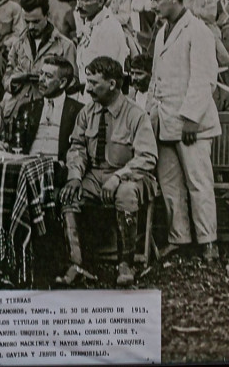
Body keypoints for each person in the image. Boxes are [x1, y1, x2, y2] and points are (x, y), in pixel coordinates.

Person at [58, 56, 157, 286]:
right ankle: (77, 262)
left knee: (125, 194)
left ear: (112, 84)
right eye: (88, 82)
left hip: (132, 176)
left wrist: (118, 177)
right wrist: (74, 177)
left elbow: (147, 157)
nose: (88, 88)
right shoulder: (87, 113)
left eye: (94, 83)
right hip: (95, 174)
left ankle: (126, 263)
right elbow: (78, 148)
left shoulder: (135, 115)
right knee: (68, 195)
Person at [146, 0, 221, 262]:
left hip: (192, 125)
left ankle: (209, 241)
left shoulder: (197, 31)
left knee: (199, 183)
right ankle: (180, 238)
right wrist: (151, 114)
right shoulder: (163, 31)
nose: (152, 5)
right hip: (165, 122)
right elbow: (156, 79)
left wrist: (191, 118)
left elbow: (204, 78)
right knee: (171, 184)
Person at [0, 56, 83, 178]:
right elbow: (16, 144)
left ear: (62, 83)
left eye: (48, 76)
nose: (41, 79)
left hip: (58, 173)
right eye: (41, 74)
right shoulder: (28, 108)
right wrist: (3, 146)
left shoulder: (78, 110)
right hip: (28, 171)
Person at [1, 0, 77, 121]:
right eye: (27, 22)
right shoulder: (18, 43)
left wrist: (49, 80)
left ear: (47, 16)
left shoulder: (65, 45)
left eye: (36, 22)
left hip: (47, 113)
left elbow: (73, 82)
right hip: (16, 110)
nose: (31, 27)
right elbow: (6, 76)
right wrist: (15, 80)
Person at [74, 0, 130, 103]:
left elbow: (105, 74)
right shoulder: (90, 24)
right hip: (88, 94)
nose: (78, 6)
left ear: (100, 1)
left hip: (103, 98)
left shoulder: (109, 28)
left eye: (85, 0)